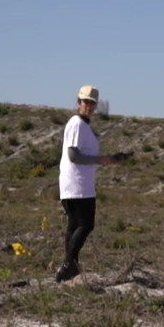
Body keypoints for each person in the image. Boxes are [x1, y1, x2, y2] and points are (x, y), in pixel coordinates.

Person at [56, 85, 127, 282]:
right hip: (78, 184)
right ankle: (69, 264)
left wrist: (109, 159)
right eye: (85, 102)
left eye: (92, 103)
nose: (89, 106)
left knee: (75, 226)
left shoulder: (83, 126)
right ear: (79, 103)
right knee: (86, 224)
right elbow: (73, 155)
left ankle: (71, 266)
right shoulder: (77, 124)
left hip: (77, 183)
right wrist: (103, 160)